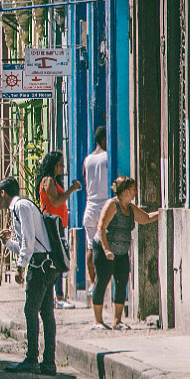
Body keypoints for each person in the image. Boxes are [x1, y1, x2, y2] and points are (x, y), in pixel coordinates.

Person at [0, 177, 58, 375]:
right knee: (46, 313)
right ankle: (49, 362)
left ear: (3, 193)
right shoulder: (21, 207)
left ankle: (33, 358)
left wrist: (20, 267)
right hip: (45, 263)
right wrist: (7, 243)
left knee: (31, 310)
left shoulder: (21, 206)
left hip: (39, 266)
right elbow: (27, 244)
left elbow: (29, 242)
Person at [93, 177, 159, 330]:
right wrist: (107, 249)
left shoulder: (129, 207)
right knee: (102, 281)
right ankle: (97, 321)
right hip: (105, 250)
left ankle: (117, 321)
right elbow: (101, 228)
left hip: (121, 252)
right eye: (134, 189)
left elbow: (146, 218)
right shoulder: (112, 205)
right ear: (126, 191)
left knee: (121, 283)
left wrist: (163, 213)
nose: (136, 192)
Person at [37, 151, 82, 309]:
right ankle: (58, 296)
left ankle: (58, 295)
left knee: (59, 258)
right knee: (57, 259)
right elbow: (55, 202)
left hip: (58, 225)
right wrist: (71, 190)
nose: (62, 167)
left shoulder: (53, 181)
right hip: (52, 226)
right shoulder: (48, 181)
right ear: (53, 165)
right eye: (60, 165)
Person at [82, 127, 109, 294]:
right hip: (104, 207)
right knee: (109, 248)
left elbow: (86, 184)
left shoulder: (87, 160)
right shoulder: (107, 157)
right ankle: (106, 286)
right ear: (105, 139)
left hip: (90, 208)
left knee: (91, 248)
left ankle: (93, 284)